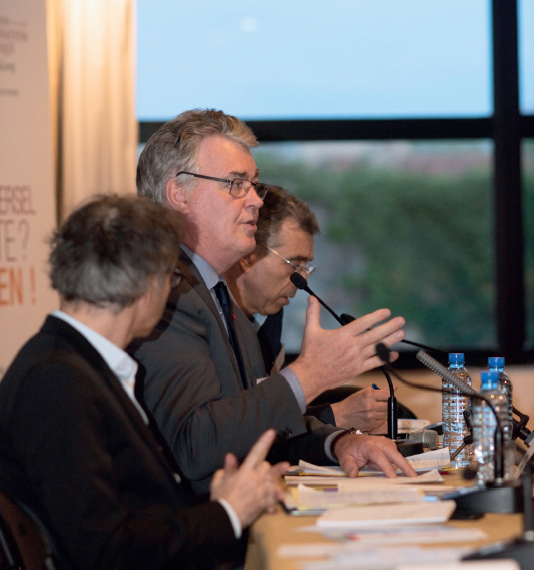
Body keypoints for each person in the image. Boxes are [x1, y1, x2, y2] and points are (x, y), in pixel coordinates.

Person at [0, 195, 286, 570]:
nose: (172, 290)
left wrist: (218, 508)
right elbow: (107, 547)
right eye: (173, 276)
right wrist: (226, 514)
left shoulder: (74, 366)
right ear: (148, 282)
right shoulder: (57, 382)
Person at [133, 108, 415, 493]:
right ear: (178, 194)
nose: (256, 201)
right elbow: (196, 446)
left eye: (254, 185)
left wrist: (339, 442)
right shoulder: (165, 294)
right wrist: (311, 375)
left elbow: (255, 423)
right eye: (235, 184)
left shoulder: (217, 295)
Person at [224, 184, 392, 431]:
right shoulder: (212, 322)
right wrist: (333, 411)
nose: (302, 279)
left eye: (306, 267)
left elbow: (273, 415)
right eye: (294, 264)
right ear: (248, 255)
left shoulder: (268, 323)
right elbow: (236, 426)